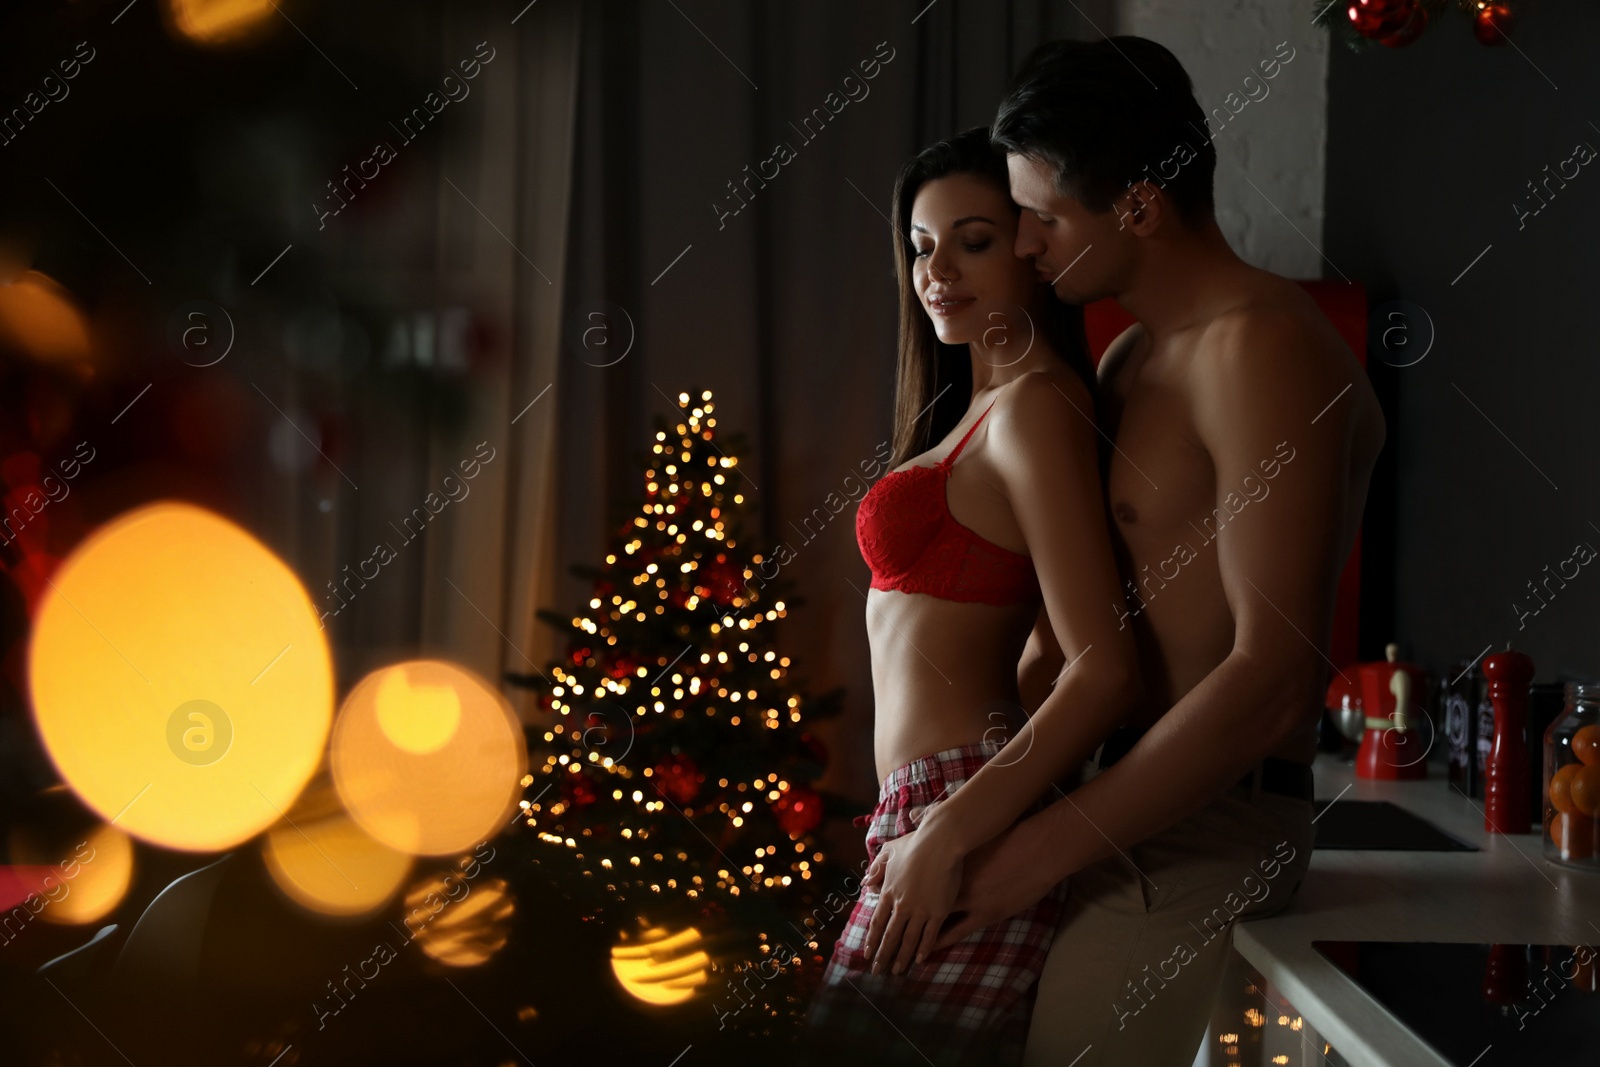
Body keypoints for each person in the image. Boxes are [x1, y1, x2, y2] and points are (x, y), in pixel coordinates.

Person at [861, 36, 1388, 1066]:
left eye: (1043, 219)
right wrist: (958, 803)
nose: (1028, 245)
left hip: (1199, 829)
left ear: (1138, 206)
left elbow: (1274, 679)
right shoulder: (1131, 354)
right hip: (1091, 808)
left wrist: (1010, 857)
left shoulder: (1262, 344)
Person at [801, 126, 1140, 1065]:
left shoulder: (1035, 406)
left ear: (1032, 247)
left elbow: (1106, 668)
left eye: (974, 240)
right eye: (920, 246)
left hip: (962, 810)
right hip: (926, 810)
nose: (938, 269)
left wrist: (948, 833)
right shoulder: (981, 410)